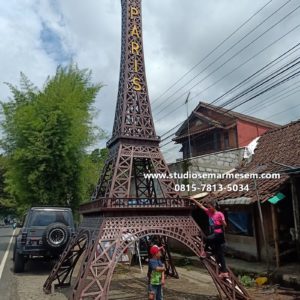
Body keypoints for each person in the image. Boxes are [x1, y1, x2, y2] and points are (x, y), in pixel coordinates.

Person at [191, 198, 229, 279]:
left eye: (209, 207)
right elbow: (201, 206)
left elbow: (225, 225)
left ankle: (205, 252)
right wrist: (193, 200)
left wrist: (222, 222)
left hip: (219, 234)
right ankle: (224, 272)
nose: (208, 208)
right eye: (208, 207)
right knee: (219, 254)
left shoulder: (219, 214)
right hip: (214, 234)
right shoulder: (209, 212)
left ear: (214, 206)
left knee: (207, 239)